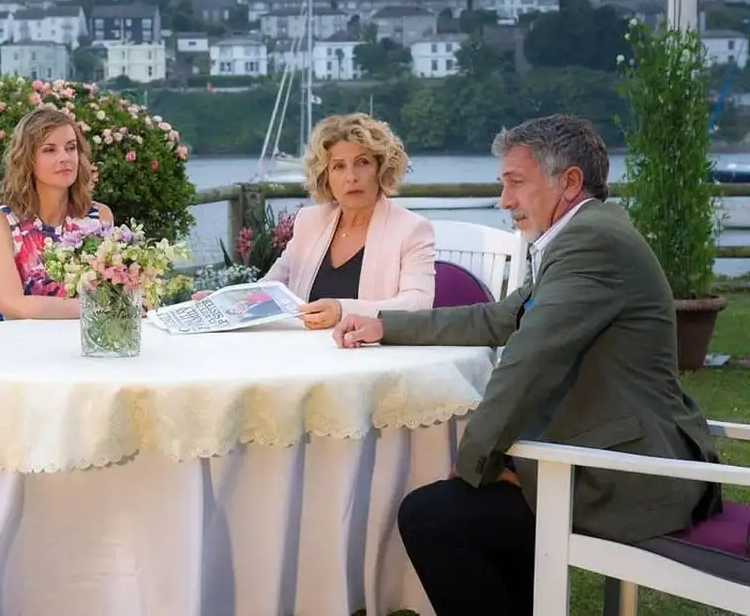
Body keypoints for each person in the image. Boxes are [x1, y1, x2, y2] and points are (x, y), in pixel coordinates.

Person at [333, 114, 723, 616]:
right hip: (606, 453)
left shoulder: (591, 244)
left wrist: (472, 467)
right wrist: (385, 325)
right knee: (475, 512)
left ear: (570, 182)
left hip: (631, 478)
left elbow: (526, 361)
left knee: (432, 516)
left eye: (516, 182)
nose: (504, 200)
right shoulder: (585, 234)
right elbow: (499, 318)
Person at [195, 112, 435, 328]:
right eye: (338, 166)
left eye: (362, 162)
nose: (351, 177)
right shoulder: (309, 221)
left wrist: (342, 311)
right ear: (325, 176)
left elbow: (418, 304)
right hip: (305, 352)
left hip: (371, 352)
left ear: (381, 169)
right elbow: (271, 288)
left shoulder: (411, 229)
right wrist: (225, 303)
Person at [0, 106, 114, 321]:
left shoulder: (99, 217)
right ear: (27, 159)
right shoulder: (0, 221)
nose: (65, 158)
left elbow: (113, 288)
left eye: (71, 148)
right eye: (50, 150)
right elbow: (13, 305)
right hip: (16, 338)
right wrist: (103, 306)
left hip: (84, 336)